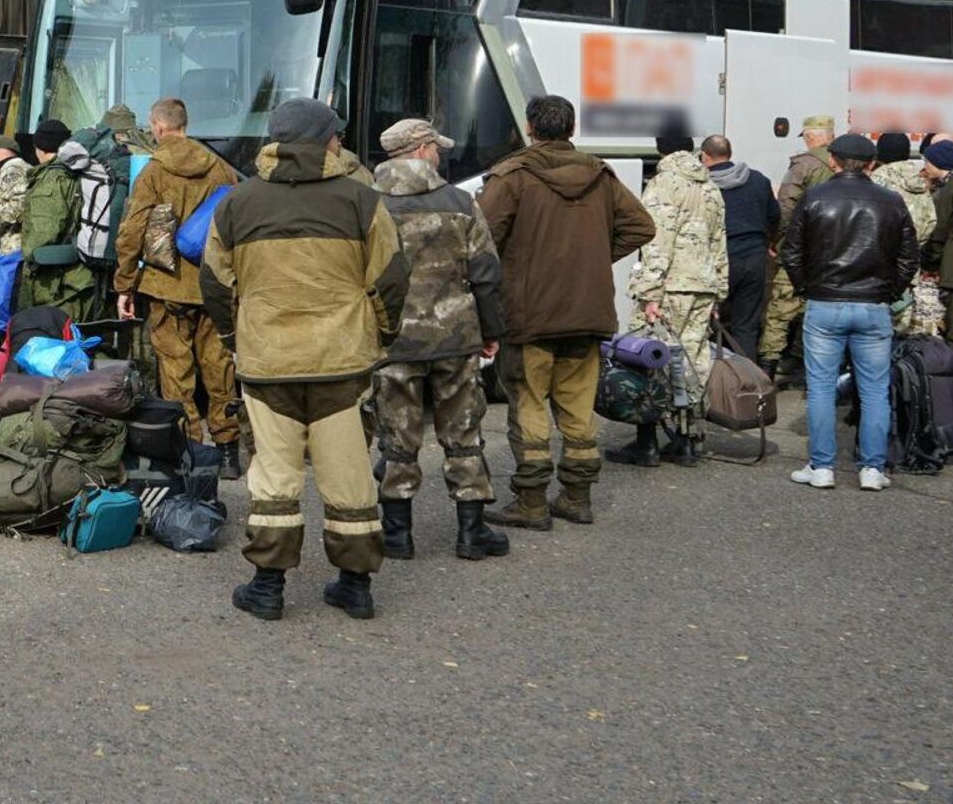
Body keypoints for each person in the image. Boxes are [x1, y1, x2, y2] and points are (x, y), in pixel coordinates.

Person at [204, 98, 409, 622]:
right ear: (329, 142)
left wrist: (234, 336)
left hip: (267, 362)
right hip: (341, 362)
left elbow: (215, 282)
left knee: (274, 475)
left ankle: (268, 586)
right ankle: (355, 585)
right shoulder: (363, 202)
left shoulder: (235, 203)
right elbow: (390, 278)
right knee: (348, 474)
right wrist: (380, 336)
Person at [477, 95, 653, 530]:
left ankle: (531, 501)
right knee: (577, 408)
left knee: (529, 403)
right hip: (587, 311)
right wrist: (592, 260)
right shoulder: (600, 174)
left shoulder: (513, 175)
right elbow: (642, 226)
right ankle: (576, 497)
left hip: (529, 312)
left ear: (530, 127)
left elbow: (479, 237)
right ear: (572, 129)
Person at [369, 118, 509, 562]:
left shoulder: (368, 207)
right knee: (464, 432)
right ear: (422, 149)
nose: (440, 155)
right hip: (455, 336)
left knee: (396, 435)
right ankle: (471, 533)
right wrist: (490, 333)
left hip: (391, 341)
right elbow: (485, 273)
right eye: (435, 147)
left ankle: (397, 535)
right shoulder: (461, 202)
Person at [112, 98, 242, 472]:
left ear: (157, 126)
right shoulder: (220, 168)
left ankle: (189, 450)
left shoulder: (154, 171)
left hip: (165, 286)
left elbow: (132, 230)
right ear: (185, 123)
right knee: (219, 368)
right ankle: (229, 449)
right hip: (213, 286)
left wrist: (125, 285)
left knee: (175, 370)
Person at [782, 134, 917, 492]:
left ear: (834, 162)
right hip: (873, 305)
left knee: (821, 387)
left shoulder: (815, 198)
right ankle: (871, 469)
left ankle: (821, 466)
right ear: (872, 164)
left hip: (825, 302)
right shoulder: (891, 201)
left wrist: (805, 288)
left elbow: (791, 251)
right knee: (874, 390)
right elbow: (908, 259)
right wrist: (890, 291)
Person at [606, 136, 728, 468]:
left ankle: (646, 443)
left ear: (660, 148)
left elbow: (657, 243)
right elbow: (719, 243)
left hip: (669, 287)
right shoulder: (711, 187)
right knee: (692, 361)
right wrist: (718, 291)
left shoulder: (663, 185)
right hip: (703, 286)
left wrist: (649, 293)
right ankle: (686, 441)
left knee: (648, 359)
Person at [761, 115, 836, 381]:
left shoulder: (804, 165)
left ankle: (767, 370)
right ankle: (806, 366)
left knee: (780, 310)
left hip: (801, 249)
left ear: (810, 136)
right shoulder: (845, 162)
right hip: (833, 251)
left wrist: (775, 241)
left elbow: (786, 206)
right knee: (818, 308)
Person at [18, 119, 109, 320]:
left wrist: (28, 259)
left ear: (39, 148)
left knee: (54, 343)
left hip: (59, 285)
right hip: (83, 278)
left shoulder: (52, 179)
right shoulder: (79, 172)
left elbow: (43, 234)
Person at [700, 135, 778, 364]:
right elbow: (774, 217)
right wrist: (768, 243)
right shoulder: (758, 180)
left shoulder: (703, 185)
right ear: (729, 154)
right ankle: (747, 385)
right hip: (753, 259)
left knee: (709, 323)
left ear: (704, 156)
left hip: (718, 260)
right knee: (747, 326)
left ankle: (715, 383)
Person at [870, 135, 940, 336]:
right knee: (902, 320)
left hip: (880, 262)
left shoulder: (878, 179)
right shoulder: (922, 180)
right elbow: (931, 221)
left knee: (876, 327)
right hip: (911, 262)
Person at [921, 139, 953, 340]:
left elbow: (939, 230)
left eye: (927, 161)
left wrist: (930, 265)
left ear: (939, 163)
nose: (924, 166)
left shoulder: (950, 188)